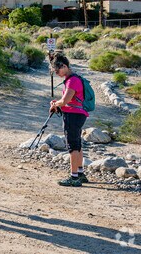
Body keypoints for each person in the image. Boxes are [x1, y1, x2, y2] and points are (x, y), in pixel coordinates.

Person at [49, 53, 89, 187]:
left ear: (64, 66)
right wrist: (58, 103)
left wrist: (56, 104)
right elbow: (69, 100)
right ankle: (80, 173)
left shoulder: (72, 80)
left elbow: (65, 101)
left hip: (73, 116)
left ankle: (74, 178)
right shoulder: (73, 79)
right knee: (77, 144)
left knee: (72, 146)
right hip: (78, 115)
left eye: (57, 70)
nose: (57, 73)